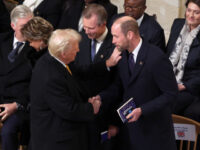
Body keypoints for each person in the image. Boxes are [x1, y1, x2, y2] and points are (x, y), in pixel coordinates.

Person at [92, 16, 178, 150]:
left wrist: (142, 110)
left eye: (116, 36)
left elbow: (171, 94)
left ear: (130, 35)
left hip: (154, 133)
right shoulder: (123, 56)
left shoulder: (156, 57)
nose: (113, 41)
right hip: (130, 132)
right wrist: (101, 97)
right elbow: (119, 86)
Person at [30, 29, 101, 150]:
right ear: (63, 53)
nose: (78, 50)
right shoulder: (51, 76)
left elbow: (77, 79)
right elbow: (68, 109)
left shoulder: (53, 60)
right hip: (58, 141)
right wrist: (92, 108)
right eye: (75, 48)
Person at [72, 4, 120, 150]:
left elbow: (119, 83)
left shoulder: (115, 44)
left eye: (91, 28)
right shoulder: (80, 38)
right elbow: (78, 71)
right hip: (81, 109)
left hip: (105, 112)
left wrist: (100, 98)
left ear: (103, 24)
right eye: (85, 27)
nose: (86, 31)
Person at [0, 5, 33, 150]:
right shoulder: (2, 41)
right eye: (24, 26)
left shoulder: (37, 49)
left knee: (8, 132)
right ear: (13, 25)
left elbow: (36, 86)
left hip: (19, 106)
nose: (29, 30)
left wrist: (16, 105)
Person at [166, 0, 200, 122]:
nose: (191, 15)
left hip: (189, 86)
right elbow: (167, 54)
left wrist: (183, 86)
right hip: (169, 79)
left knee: (165, 105)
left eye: (196, 12)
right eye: (189, 10)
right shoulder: (177, 24)